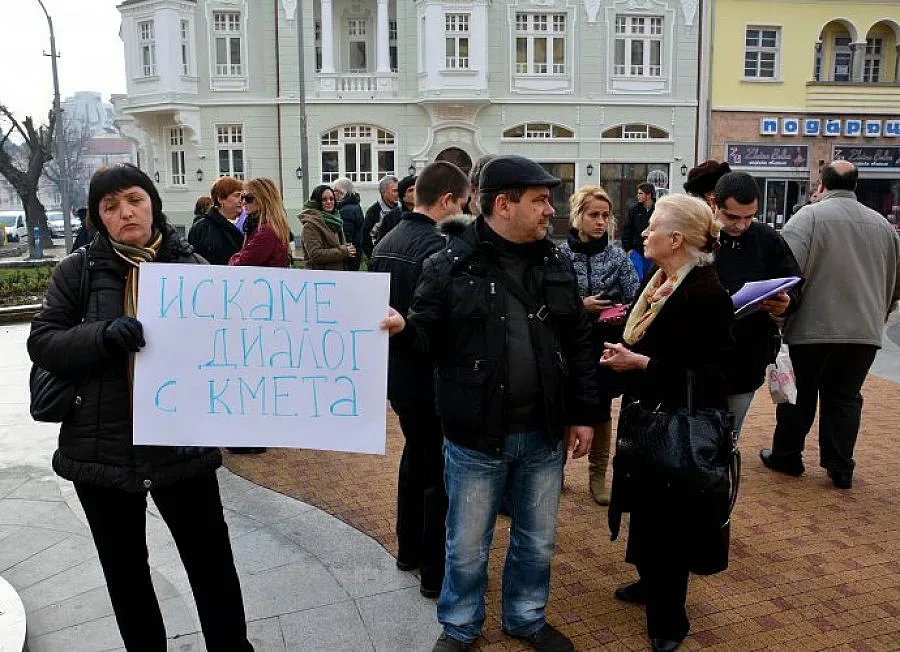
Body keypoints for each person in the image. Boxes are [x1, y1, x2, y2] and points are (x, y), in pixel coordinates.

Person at [27, 163, 253, 652]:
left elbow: (238, 343)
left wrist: (363, 323)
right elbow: (43, 342)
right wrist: (103, 336)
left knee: (212, 565)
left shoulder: (192, 268)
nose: (125, 212)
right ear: (97, 219)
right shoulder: (77, 271)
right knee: (126, 575)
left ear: (152, 202)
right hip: (100, 452)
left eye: (133, 199)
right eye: (110, 206)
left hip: (181, 449)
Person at [383, 154, 600, 652]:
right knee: (465, 545)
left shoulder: (556, 263)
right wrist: (403, 331)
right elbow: (426, 338)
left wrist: (587, 413)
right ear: (503, 204)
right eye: (541, 200)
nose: (551, 210)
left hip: (544, 434)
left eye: (550, 200)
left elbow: (579, 341)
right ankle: (460, 626)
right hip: (475, 436)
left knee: (538, 540)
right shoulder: (448, 264)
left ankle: (525, 618)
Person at [601, 194, 734, 652]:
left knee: (670, 523)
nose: (644, 232)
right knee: (645, 508)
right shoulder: (663, 279)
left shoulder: (705, 292)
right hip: (649, 417)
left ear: (676, 239)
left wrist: (639, 363)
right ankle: (647, 582)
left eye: (653, 225)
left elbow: (712, 374)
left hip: (678, 425)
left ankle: (669, 621)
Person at [760, 161, 900, 489]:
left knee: (801, 395)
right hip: (863, 332)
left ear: (821, 183)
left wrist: (779, 317)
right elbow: (896, 283)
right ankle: (840, 467)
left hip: (812, 327)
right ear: (856, 185)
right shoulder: (883, 226)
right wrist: (881, 312)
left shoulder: (808, 217)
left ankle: (788, 456)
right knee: (845, 397)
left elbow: (786, 274)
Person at [369, 161, 471, 599]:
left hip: (398, 374)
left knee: (415, 459)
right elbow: (442, 326)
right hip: (429, 375)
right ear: (447, 200)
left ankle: (408, 548)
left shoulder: (386, 240)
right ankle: (434, 570)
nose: (466, 211)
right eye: (463, 202)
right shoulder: (439, 248)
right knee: (437, 473)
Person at [557, 185, 639, 504]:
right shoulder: (561, 255)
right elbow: (551, 303)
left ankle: (597, 475)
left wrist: (619, 313)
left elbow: (635, 295)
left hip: (604, 344)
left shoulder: (617, 255)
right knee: (566, 406)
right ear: (578, 216)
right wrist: (582, 306)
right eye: (594, 215)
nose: (600, 221)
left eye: (605, 215)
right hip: (568, 343)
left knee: (602, 408)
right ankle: (557, 472)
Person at [713, 172, 802, 436]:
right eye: (732, 217)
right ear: (713, 204)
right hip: (700, 356)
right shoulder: (697, 235)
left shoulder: (767, 238)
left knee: (729, 434)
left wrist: (785, 303)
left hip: (746, 356)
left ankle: (724, 473)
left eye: (748, 217)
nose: (741, 225)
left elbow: (794, 283)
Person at [298, 184, 357, 270]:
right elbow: (315, 254)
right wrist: (344, 251)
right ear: (317, 202)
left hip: (337, 275)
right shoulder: (310, 225)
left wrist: (348, 248)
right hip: (319, 277)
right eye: (324, 199)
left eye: (331, 199)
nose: (329, 202)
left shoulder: (336, 221)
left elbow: (335, 246)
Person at [188, 176, 244, 265]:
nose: (241, 200)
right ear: (221, 199)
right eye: (237, 195)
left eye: (242, 195)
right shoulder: (201, 228)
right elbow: (192, 259)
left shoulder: (248, 224)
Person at [621, 183, 656, 281]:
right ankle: (636, 296)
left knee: (650, 278)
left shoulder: (658, 210)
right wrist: (628, 248)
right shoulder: (634, 210)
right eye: (638, 193)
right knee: (637, 278)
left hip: (652, 251)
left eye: (641, 193)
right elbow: (626, 229)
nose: (638, 196)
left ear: (648, 195)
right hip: (636, 251)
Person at [361, 175, 399, 259]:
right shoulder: (374, 212)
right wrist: (374, 258)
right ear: (384, 192)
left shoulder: (400, 210)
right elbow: (366, 238)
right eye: (394, 191)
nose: (398, 194)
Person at [373, 174, 416, 246]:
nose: (415, 193)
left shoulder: (427, 214)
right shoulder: (392, 217)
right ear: (402, 196)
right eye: (411, 190)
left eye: (417, 190)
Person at [332, 177, 365, 271]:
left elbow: (346, 236)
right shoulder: (355, 206)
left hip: (349, 256)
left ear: (343, 192)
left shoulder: (346, 210)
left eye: (335, 191)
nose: (333, 194)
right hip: (355, 253)